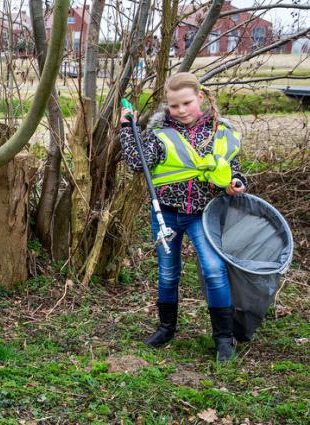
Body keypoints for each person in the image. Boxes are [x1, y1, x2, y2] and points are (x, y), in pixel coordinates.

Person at [119, 72, 247, 362]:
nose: (180, 111)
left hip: (204, 215)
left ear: (200, 97)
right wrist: (128, 128)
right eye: (174, 106)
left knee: (214, 270)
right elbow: (138, 162)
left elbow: (234, 168)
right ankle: (166, 328)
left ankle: (224, 339)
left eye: (186, 103)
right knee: (167, 273)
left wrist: (237, 182)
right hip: (166, 214)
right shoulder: (160, 132)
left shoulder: (220, 132)